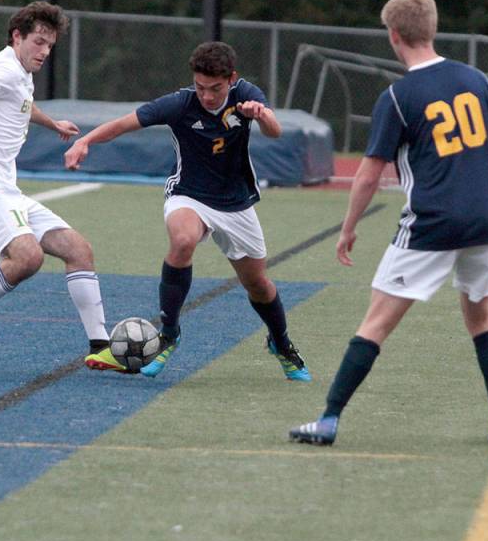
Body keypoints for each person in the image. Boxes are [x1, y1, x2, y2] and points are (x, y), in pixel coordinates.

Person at [288, 0, 488, 446]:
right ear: (432, 29)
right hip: (487, 219)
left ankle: (329, 419)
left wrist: (348, 228)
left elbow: (369, 175)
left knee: (375, 322)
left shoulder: (398, 96)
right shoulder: (478, 79)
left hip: (432, 222)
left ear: (394, 36)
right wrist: (475, 186)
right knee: (482, 318)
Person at [64, 41, 310, 381]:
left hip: (236, 202)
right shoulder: (180, 104)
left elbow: (275, 131)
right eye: (200, 87)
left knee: (257, 284)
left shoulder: (247, 94)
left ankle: (281, 343)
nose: (207, 96)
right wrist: (85, 141)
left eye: (215, 89)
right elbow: (123, 124)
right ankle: (169, 333)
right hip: (188, 194)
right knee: (182, 241)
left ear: (231, 79)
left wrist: (262, 115)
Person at [0, 1, 124, 371]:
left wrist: (53, 123)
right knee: (28, 258)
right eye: (38, 42)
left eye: (50, 45)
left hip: (5, 187)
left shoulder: (19, 72)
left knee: (79, 250)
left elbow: (22, 105)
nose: (44, 51)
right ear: (17, 37)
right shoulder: (2, 68)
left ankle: (101, 345)